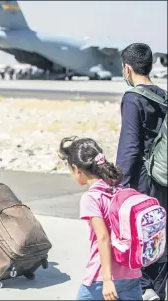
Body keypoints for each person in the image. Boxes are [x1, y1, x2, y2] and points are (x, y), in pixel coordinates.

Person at [59, 137, 143, 301]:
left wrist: (107, 279)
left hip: (102, 277)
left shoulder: (91, 198)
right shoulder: (118, 189)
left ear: (77, 170)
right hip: (131, 272)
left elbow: (103, 238)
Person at [116, 43, 167, 301]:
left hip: (143, 180)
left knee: (141, 236)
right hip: (164, 177)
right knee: (160, 235)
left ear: (127, 68)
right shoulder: (163, 96)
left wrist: (120, 186)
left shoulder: (133, 98)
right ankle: (158, 290)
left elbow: (130, 146)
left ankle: (146, 291)